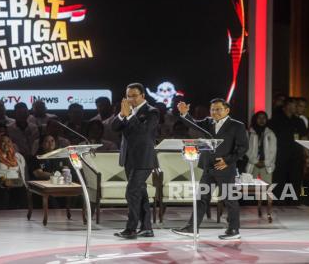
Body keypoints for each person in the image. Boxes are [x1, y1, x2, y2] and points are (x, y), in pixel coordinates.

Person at [171, 98, 248, 240]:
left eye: (218, 109)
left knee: (229, 199)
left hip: (224, 167)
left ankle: (233, 230)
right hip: (208, 166)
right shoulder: (208, 122)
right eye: (212, 109)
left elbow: (243, 148)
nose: (214, 112)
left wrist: (227, 161)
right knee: (201, 198)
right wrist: (184, 114)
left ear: (227, 110)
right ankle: (192, 228)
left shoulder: (237, 126)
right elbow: (193, 124)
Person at [111, 83, 159, 239]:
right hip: (128, 159)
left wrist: (130, 115)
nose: (130, 99)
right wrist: (121, 115)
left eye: (134, 96)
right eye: (128, 96)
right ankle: (147, 228)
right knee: (140, 193)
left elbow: (143, 133)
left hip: (144, 159)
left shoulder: (152, 112)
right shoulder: (126, 111)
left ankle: (131, 229)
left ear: (142, 96)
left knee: (131, 191)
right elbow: (114, 127)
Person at [268, 97, 308, 205]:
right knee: (279, 180)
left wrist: (307, 156)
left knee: (295, 180)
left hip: (296, 156)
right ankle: (278, 202)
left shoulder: (299, 121)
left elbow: (304, 138)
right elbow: (268, 138)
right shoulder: (276, 120)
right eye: (295, 105)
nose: (297, 107)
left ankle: (294, 203)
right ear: (288, 106)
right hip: (280, 156)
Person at [245, 111, 277, 184]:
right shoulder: (249, 133)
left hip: (266, 166)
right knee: (250, 188)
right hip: (252, 164)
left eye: (264, 118)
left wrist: (265, 162)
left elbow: (273, 151)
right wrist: (255, 161)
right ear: (255, 119)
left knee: (267, 189)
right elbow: (246, 149)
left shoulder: (270, 133)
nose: (262, 120)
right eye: (259, 118)